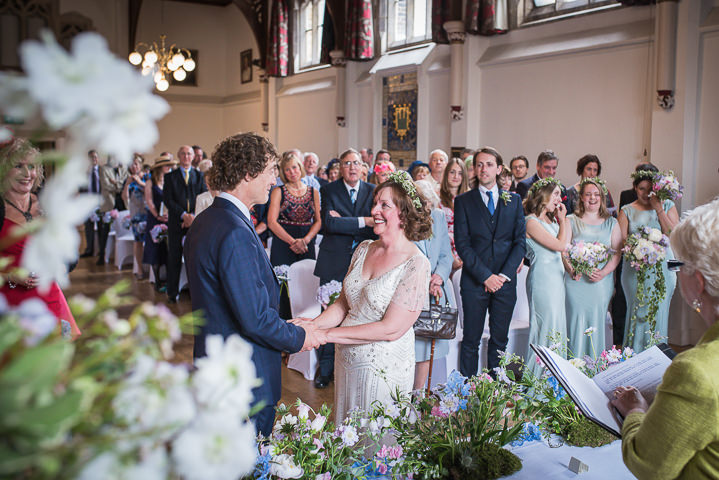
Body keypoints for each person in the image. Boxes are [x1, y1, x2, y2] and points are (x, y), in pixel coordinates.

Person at [184, 132, 321, 437]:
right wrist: (300, 336)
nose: (275, 178)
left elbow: (231, 302)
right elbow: (254, 319)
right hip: (243, 377)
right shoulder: (233, 230)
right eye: (272, 169)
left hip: (215, 364)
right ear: (248, 172)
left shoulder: (206, 221)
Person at [297, 171, 432, 423]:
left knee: (375, 442)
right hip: (347, 359)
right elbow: (344, 303)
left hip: (383, 366)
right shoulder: (364, 248)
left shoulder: (416, 263)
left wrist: (325, 336)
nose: (375, 211)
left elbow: (391, 329)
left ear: (404, 212)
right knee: (347, 433)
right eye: (375, 203)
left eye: (384, 205)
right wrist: (312, 325)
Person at [611, 196, 719, 480]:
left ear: (698, 283)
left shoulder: (695, 371)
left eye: (678, 264)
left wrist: (636, 410)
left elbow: (647, 464)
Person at [454, 147, 526, 377]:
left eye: (489, 164)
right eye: (479, 164)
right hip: (475, 281)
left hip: (505, 282)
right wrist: (486, 276)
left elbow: (520, 243)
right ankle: (466, 392)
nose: (484, 169)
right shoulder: (463, 201)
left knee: (499, 339)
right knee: (471, 339)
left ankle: (495, 393)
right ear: (474, 169)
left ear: (499, 169)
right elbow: (462, 244)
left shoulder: (514, 201)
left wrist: (502, 276)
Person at [0, 137, 81, 337]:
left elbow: (69, 252)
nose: (28, 174)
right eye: (18, 166)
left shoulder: (48, 203)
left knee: (57, 360)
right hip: (11, 303)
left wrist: (60, 267)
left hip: (51, 299)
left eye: (32, 166)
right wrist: (10, 277)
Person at [313, 148, 377, 389]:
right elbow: (329, 224)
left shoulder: (372, 191)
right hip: (334, 262)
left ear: (363, 167)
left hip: (364, 263)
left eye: (356, 163)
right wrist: (363, 221)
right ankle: (326, 370)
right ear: (340, 167)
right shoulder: (328, 189)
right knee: (330, 314)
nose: (352, 167)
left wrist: (346, 222)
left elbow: (376, 225)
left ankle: (353, 370)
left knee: (359, 315)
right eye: (347, 163)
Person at [618, 164, 678, 352]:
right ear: (635, 188)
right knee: (637, 313)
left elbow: (674, 234)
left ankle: (657, 359)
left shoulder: (668, 205)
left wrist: (658, 209)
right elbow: (621, 243)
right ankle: (633, 358)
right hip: (635, 270)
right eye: (641, 188)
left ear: (656, 189)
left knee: (658, 314)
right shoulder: (626, 210)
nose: (645, 193)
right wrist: (638, 247)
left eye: (650, 189)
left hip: (662, 270)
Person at [564, 178, 621, 359]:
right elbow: (563, 251)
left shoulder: (612, 222)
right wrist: (573, 269)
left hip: (600, 283)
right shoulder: (570, 220)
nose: (592, 198)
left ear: (602, 198)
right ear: (581, 197)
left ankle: (594, 366)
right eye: (588, 194)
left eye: (596, 194)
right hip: (576, 281)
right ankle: (573, 363)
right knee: (575, 322)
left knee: (596, 322)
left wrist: (603, 273)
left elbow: (617, 253)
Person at [523, 177, 570, 377]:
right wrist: (564, 219)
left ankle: (556, 379)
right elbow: (561, 245)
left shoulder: (549, 221)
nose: (560, 198)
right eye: (557, 194)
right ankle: (538, 381)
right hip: (542, 280)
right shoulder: (530, 222)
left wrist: (570, 268)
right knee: (544, 326)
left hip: (557, 279)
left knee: (557, 326)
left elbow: (563, 251)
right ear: (544, 196)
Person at [413, 180, 455, 390]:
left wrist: (438, 277)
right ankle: (411, 395)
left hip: (437, 291)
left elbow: (446, 255)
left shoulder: (438, 216)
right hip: (413, 290)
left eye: (430, 204)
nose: (427, 209)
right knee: (416, 347)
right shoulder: (405, 220)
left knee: (431, 345)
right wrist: (423, 280)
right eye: (422, 204)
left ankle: (423, 395)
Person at [163, 145, 207, 303]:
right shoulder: (170, 176)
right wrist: (183, 215)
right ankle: (172, 292)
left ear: (193, 156)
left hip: (195, 224)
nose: (186, 157)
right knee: (174, 257)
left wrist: (193, 217)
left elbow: (202, 196)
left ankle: (195, 292)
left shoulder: (199, 175)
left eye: (189, 154)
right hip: (176, 223)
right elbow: (168, 199)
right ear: (179, 156)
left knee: (194, 259)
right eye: (183, 154)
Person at [268, 151, 321, 267]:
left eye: (294, 167)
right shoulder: (278, 191)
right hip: (283, 242)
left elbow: (318, 221)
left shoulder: (314, 192)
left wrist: (305, 241)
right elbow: (271, 222)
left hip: (306, 244)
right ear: (283, 173)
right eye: (287, 169)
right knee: (283, 283)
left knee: (307, 282)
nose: (292, 172)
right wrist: (293, 242)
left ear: (300, 167)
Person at [142, 154, 175, 292]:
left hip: (168, 217)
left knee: (167, 249)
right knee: (155, 248)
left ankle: (168, 280)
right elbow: (148, 200)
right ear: (161, 167)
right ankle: (156, 280)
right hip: (155, 217)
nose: (170, 167)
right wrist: (157, 215)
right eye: (167, 165)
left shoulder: (170, 180)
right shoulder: (151, 181)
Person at [439, 157, 470, 272]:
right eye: (452, 172)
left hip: (466, 251)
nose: (456, 177)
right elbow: (438, 233)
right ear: (446, 173)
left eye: (460, 173)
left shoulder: (471, 198)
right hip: (445, 251)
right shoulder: (437, 199)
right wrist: (452, 258)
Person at [121, 154, 148, 280]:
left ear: (141, 165)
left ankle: (152, 269)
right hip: (136, 215)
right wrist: (127, 184)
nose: (134, 166)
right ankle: (140, 269)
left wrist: (139, 182)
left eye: (136, 163)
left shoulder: (148, 176)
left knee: (152, 241)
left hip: (149, 213)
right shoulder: (128, 180)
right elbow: (124, 198)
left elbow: (150, 191)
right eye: (131, 164)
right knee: (138, 243)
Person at [80, 150, 101, 258]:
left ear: (98, 158)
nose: (93, 159)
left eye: (95, 157)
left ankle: (102, 251)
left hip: (101, 204)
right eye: (91, 157)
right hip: (87, 204)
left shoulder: (103, 171)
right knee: (88, 228)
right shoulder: (84, 172)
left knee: (102, 228)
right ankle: (89, 250)